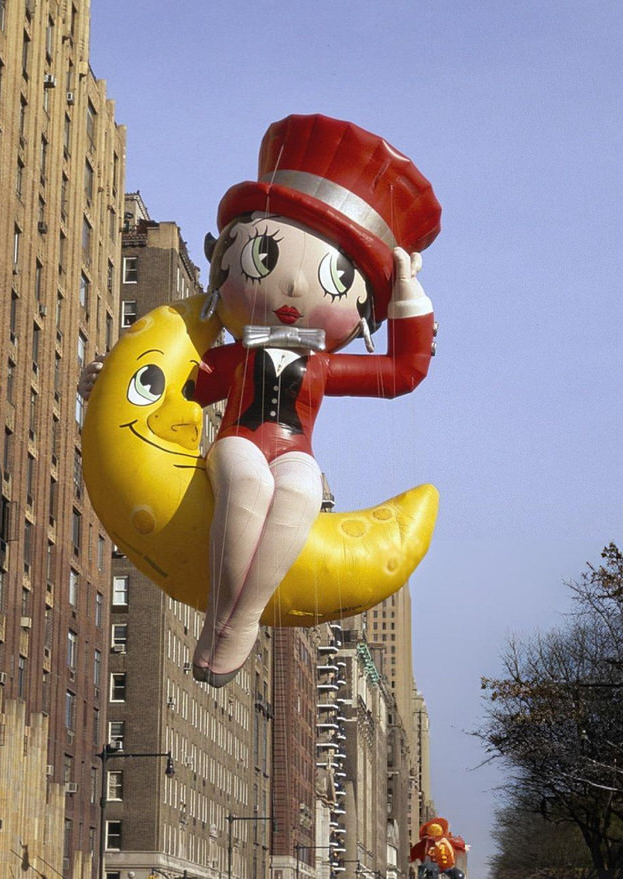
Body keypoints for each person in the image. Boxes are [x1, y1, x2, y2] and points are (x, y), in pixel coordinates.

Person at [185, 113, 442, 686]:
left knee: (302, 490)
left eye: (332, 275)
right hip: (237, 444)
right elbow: (182, 389)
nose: (298, 287)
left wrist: (408, 292)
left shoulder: (322, 364)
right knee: (248, 480)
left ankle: (240, 622)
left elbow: (404, 370)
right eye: (264, 257)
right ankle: (221, 621)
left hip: (293, 451)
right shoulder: (237, 358)